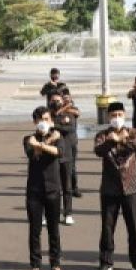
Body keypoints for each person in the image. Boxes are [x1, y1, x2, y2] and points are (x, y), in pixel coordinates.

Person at [93, 103, 136, 270]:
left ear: (125, 115)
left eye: (119, 114)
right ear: (109, 117)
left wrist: (122, 140)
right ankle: (106, 262)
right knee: (107, 228)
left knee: (134, 227)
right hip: (109, 189)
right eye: (113, 115)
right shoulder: (102, 135)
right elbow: (98, 150)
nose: (117, 118)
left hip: (131, 188)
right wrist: (111, 140)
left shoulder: (134, 132)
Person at [22, 106, 65, 270]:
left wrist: (41, 144)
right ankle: (35, 266)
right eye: (40, 120)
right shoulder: (27, 139)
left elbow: (58, 152)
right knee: (35, 230)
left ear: (51, 121)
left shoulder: (58, 137)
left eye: (46, 119)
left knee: (54, 230)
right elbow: (33, 153)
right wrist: (46, 144)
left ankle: (55, 265)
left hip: (53, 189)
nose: (43, 123)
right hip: (34, 191)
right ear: (34, 122)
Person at [52, 92, 80, 223]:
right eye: (53, 100)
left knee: (67, 187)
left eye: (58, 100)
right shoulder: (47, 114)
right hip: (52, 156)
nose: (55, 102)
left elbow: (70, 128)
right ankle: (52, 213)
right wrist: (59, 125)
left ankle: (68, 214)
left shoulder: (69, 113)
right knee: (53, 188)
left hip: (67, 154)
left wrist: (54, 126)